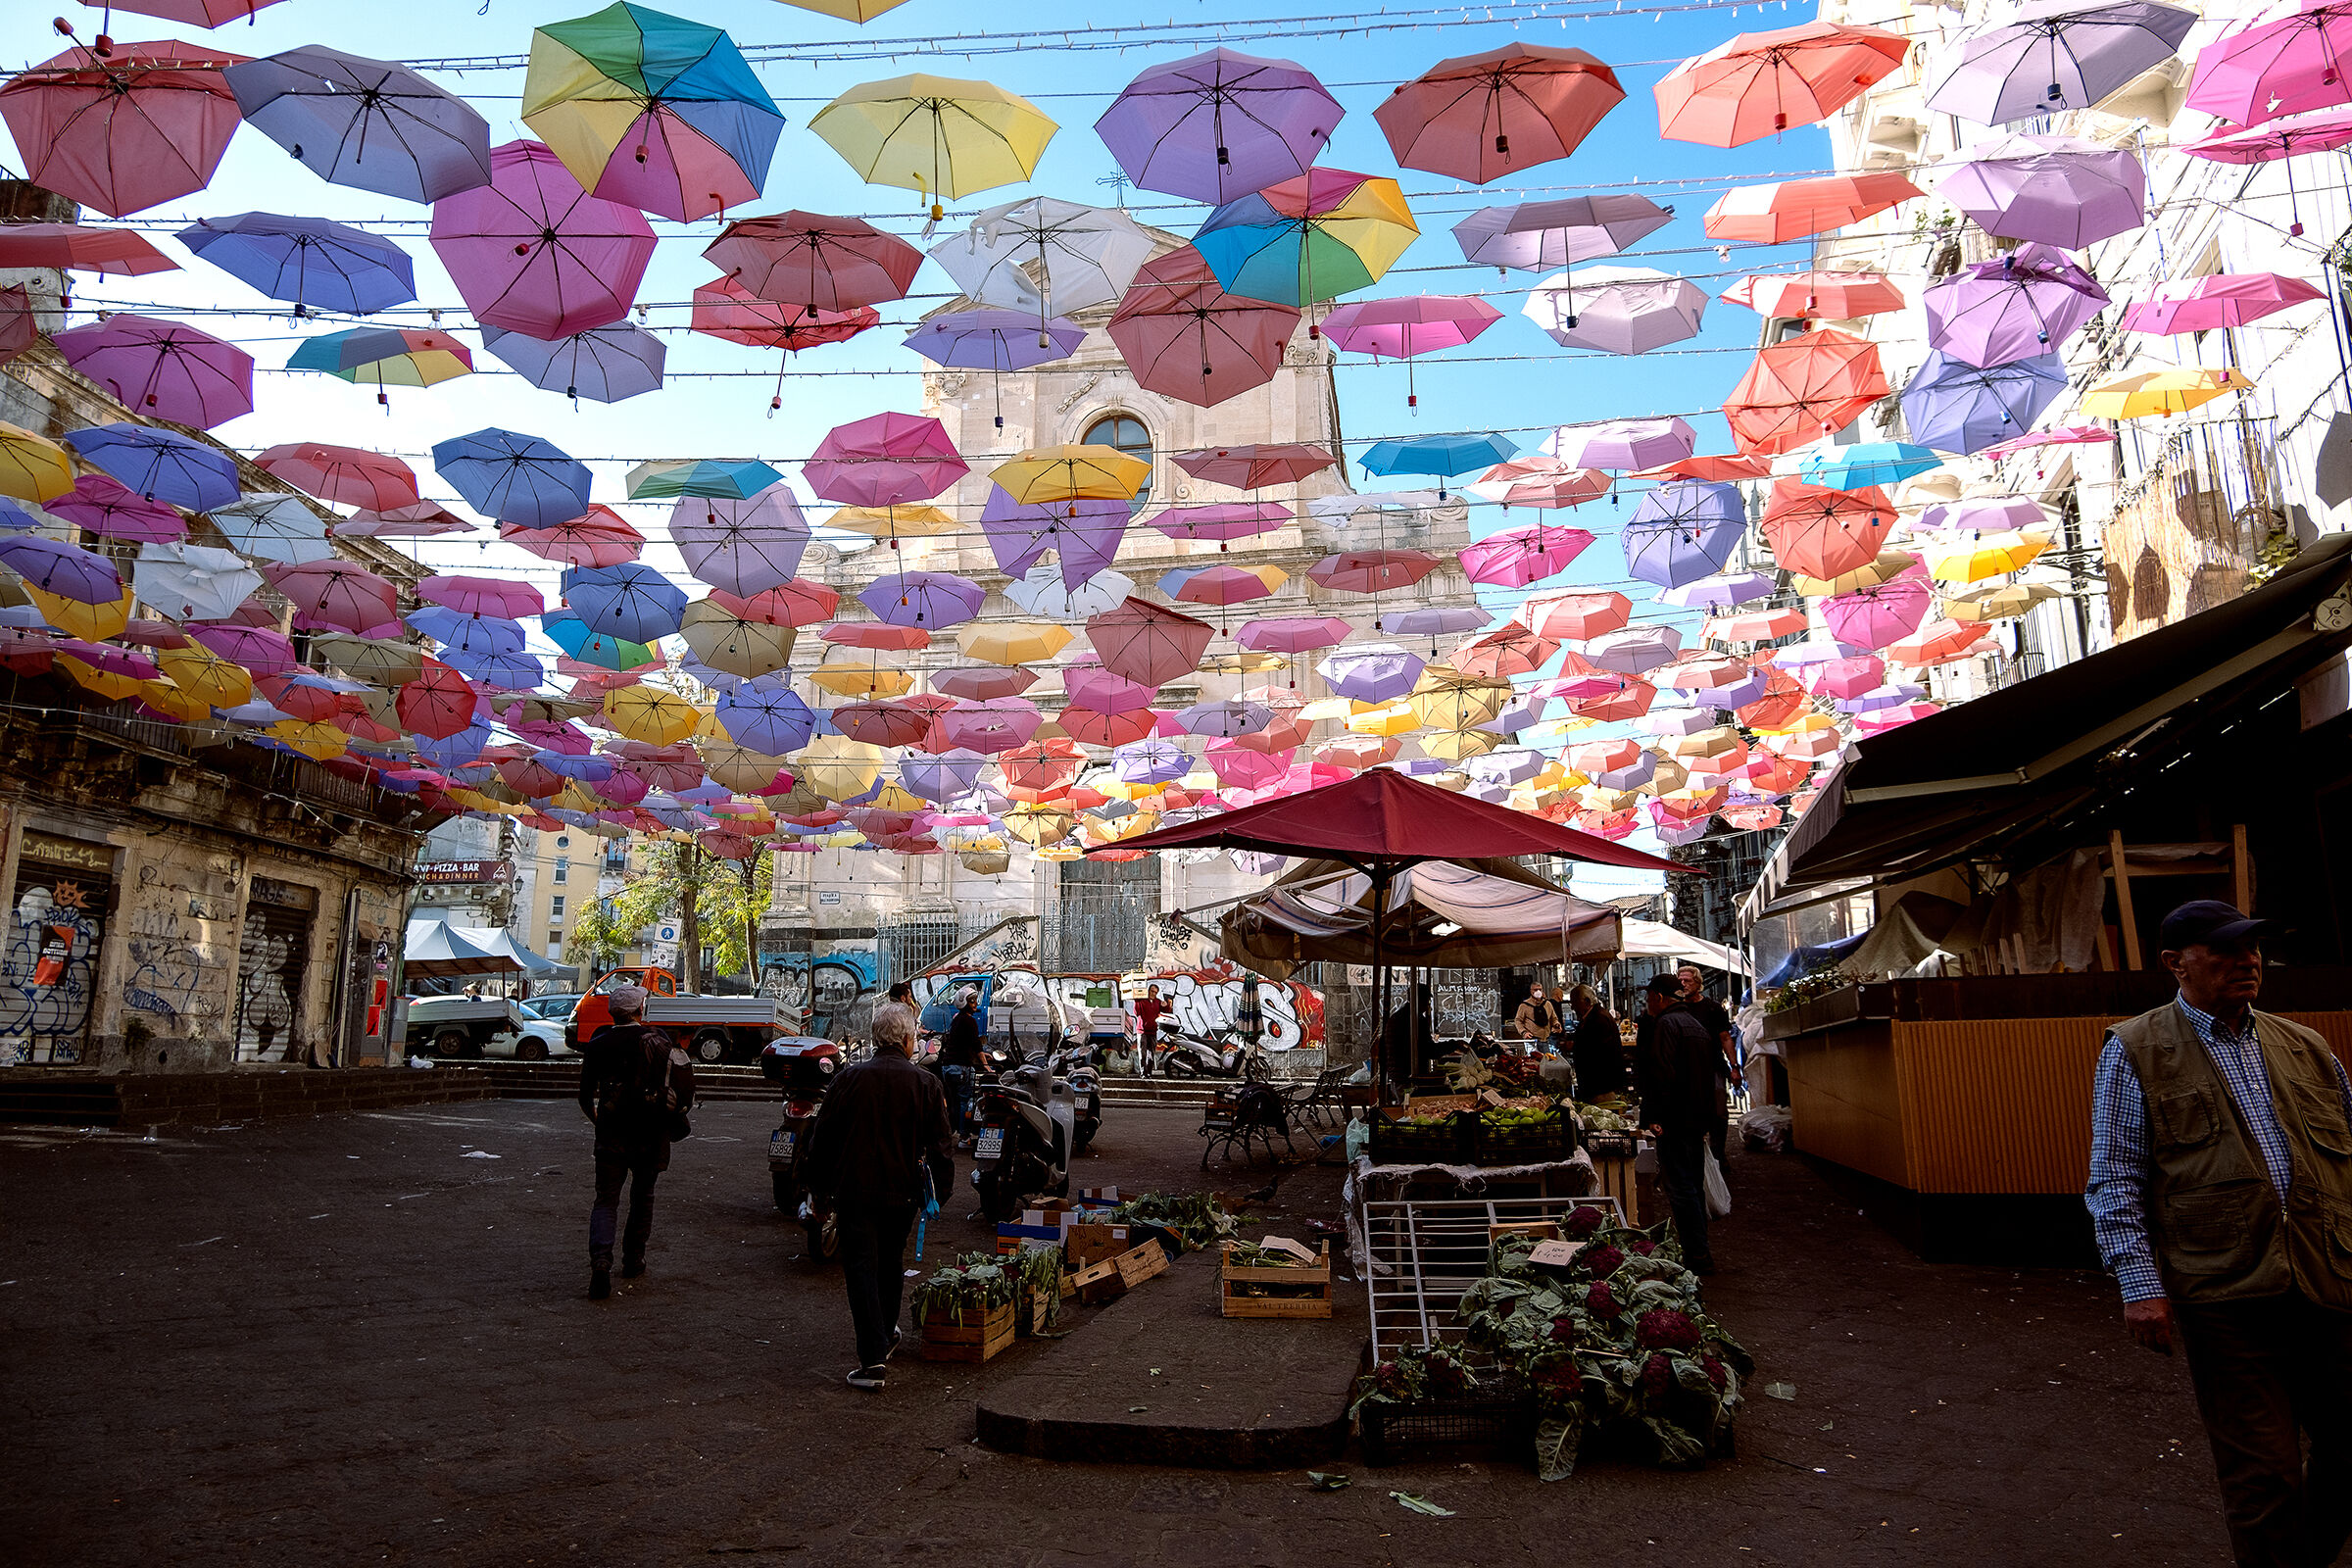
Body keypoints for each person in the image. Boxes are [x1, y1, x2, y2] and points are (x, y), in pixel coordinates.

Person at [2084, 900, 2352, 1568]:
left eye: (2253, 949)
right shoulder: (2136, 1047)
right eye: (2227, 951)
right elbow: (2115, 1175)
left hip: (2330, 1281)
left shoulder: (2305, 1045)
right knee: (2264, 1476)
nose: (2249, 962)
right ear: (2176, 964)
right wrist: (2140, 1286)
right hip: (2227, 1293)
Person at [804, 1010, 955, 1393]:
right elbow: (941, 1146)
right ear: (907, 1041)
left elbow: (821, 1140)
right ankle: (883, 1336)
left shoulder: (849, 1079)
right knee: (889, 1262)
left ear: (875, 1038)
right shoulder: (926, 1083)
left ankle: (873, 1355)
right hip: (902, 1191)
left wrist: (818, 1193)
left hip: (854, 1190)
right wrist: (939, 1194)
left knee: (861, 1268)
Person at [575, 984, 695, 1300]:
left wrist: (598, 1121)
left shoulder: (598, 1044)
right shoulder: (657, 1042)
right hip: (650, 1133)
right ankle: (633, 1259)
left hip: (611, 1134)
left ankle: (601, 1261)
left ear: (612, 1013)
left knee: (605, 1200)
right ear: (641, 1011)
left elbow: (584, 1097)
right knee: (643, 1198)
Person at [1636, 974, 1719, 1274]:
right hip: (1695, 1118)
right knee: (1693, 1186)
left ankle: (1696, 1254)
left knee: (1682, 1188)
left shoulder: (1667, 1025)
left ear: (1659, 997)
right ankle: (1700, 1250)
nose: (1647, 1005)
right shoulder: (1695, 1024)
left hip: (1675, 1119)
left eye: (1648, 999)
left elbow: (1663, 1073)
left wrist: (1654, 1118)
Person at [1677, 964, 1740, 1170]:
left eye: (1687, 981)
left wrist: (1734, 1067)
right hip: (1685, 1070)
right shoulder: (1677, 1009)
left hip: (1712, 1067)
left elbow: (1725, 1038)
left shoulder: (1712, 1008)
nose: (1683, 984)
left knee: (1719, 1111)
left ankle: (1719, 1154)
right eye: (1681, 981)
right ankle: (1695, 1158)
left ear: (1698, 983)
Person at [938, 991, 984, 1142]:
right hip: (961, 1067)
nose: (975, 1004)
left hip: (947, 1067)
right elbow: (977, 1045)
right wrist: (986, 1065)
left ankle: (949, 1133)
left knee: (953, 1101)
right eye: (972, 1001)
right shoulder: (970, 1021)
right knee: (965, 1101)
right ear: (965, 1003)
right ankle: (964, 1137)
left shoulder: (956, 1020)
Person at [1569, 984, 1627, 1099]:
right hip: (1596, 1085)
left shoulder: (1598, 1018)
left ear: (1586, 1001)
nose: (1572, 1007)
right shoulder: (1593, 1016)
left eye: (1574, 1003)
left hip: (1601, 1086)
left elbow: (1597, 1051)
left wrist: (1575, 1046)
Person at [1514, 984, 1563, 1056]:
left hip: (1545, 1040)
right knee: (1534, 1062)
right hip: (1532, 1041)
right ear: (1531, 991)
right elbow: (1518, 1020)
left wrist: (1556, 1024)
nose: (1538, 991)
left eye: (1540, 989)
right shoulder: (1524, 1006)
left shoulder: (1547, 1004)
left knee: (1547, 1061)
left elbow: (1553, 1018)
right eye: (1535, 989)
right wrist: (1524, 1032)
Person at [1132, 984, 1166, 1075]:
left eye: (1155, 992)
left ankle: (1149, 1072)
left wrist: (1166, 1005)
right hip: (1142, 1031)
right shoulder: (1142, 1001)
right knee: (1142, 1053)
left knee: (1151, 1053)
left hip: (1153, 1031)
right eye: (1152, 991)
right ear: (1148, 991)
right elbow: (1136, 1012)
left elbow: (1167, 1011)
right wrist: (1136, 1002)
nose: (1153, 994)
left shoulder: (1158, 1002)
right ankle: (1143, 1073)